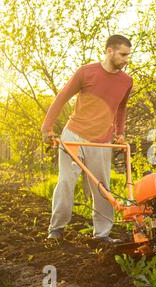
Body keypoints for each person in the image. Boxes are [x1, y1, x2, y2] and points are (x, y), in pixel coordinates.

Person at [41, 35, 133, 243]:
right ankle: (56, 229)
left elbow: (121, 107)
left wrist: (119, 132)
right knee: (66, 182)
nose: (127, 59)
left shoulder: (127, 81)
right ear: (110, 51)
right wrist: (47, 127)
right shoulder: (86, 72)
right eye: (123, 54)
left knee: (102, 187)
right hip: (74, 136)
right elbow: (62, 97)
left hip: (102, 140)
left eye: (129, 55)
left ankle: (102, 234)